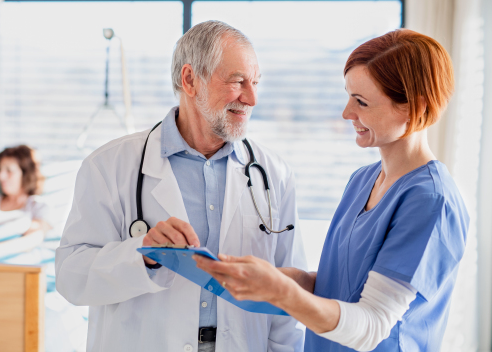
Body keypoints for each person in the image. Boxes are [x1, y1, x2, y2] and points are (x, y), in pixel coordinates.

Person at [195, 29, 469, 352]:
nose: (347, 113)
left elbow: (371, 326)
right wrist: (270, 279)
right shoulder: (362, 181)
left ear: (414, 106)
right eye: (349, 96)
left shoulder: (430, 201)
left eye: (362, 102)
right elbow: (337, 287)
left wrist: (282, 292)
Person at [55, 21, 308, 352]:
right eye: (237, 82)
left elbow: (289, 298)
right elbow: (71, 277)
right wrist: (142, 255)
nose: (252, 98)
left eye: (255, 83)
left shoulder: (274, 173)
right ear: (190, 80)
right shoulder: (109, 166)